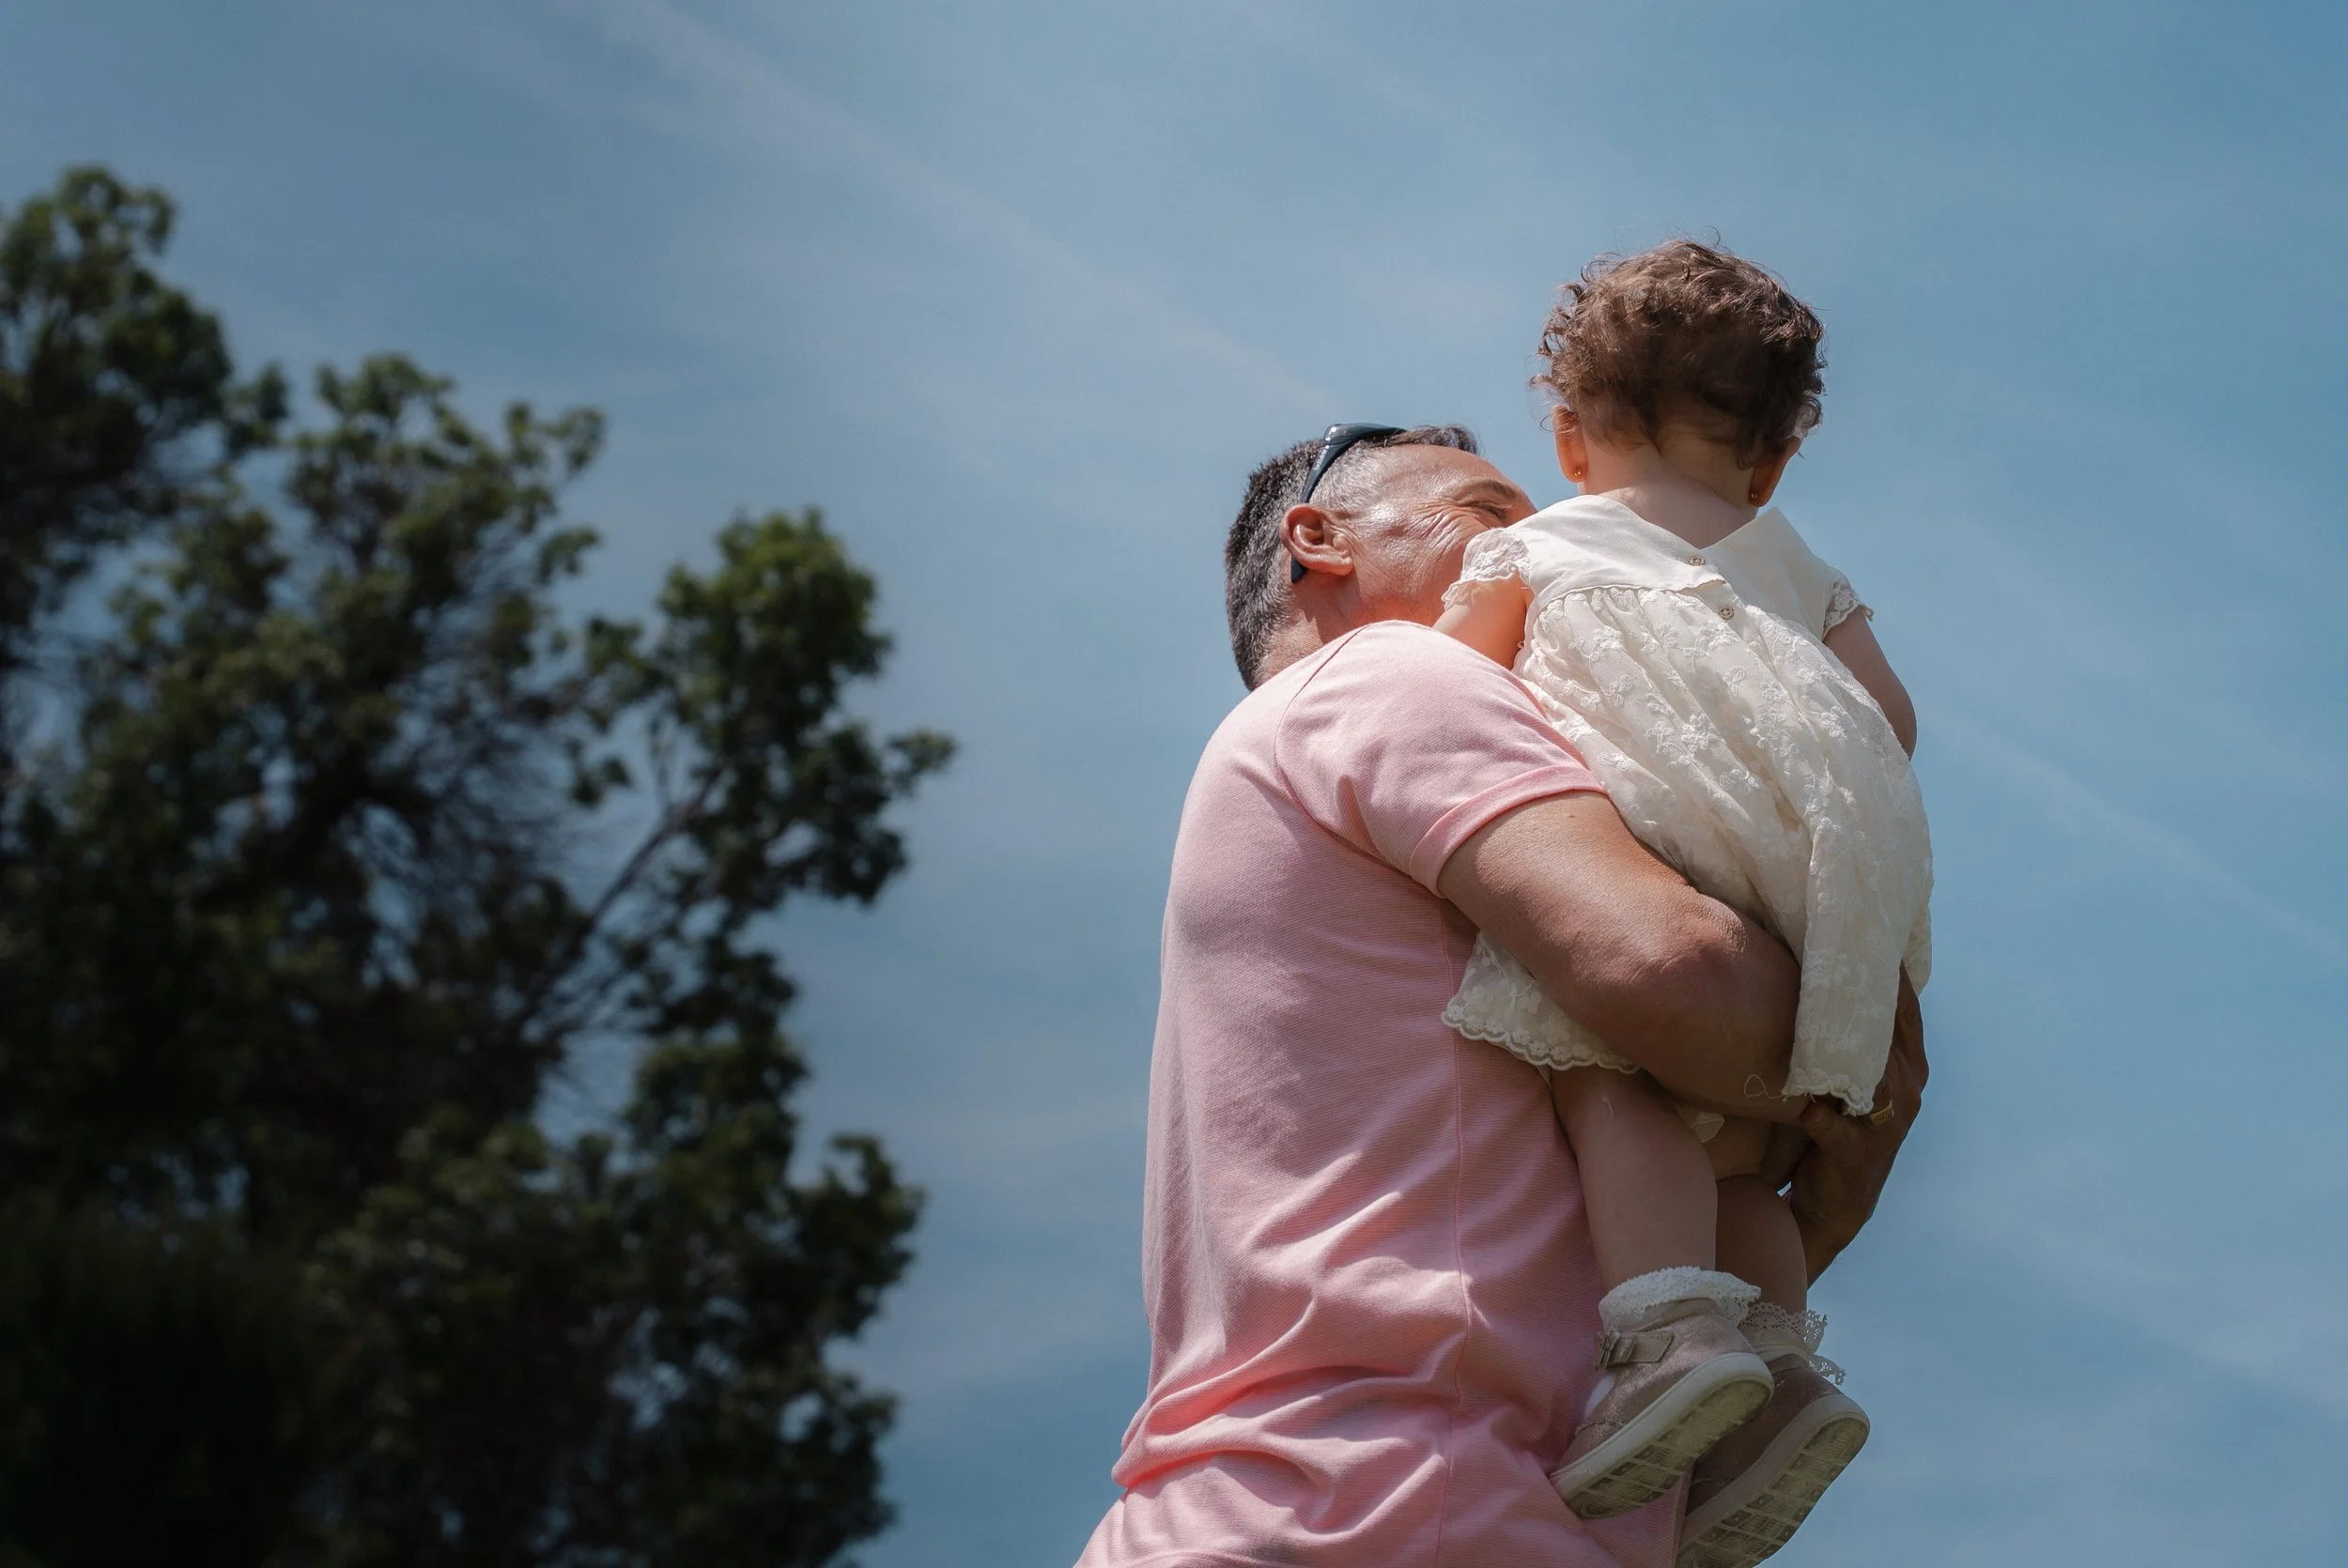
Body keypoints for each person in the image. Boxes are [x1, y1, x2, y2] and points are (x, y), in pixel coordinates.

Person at [1074, 422, 1925, 1568]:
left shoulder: (1278, 770)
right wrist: (1853, 1045)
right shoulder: (1391, 669)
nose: (1540, 553)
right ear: (1320, 540)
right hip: (1387, 1511)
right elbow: (1669, 976)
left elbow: (1524, 1247)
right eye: (1490, 519)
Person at [1436, 241, 1931, 1563]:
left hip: (1657, 817)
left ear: (1568, 433)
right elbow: (1890, 717)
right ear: (1772, 462)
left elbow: (1449, 702)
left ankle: (1671, 1333)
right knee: (1743, 1153)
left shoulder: (1537, 543)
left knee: (1611, 1067)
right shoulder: (1797, 563)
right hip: (1820, 866)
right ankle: (1785, 1377)